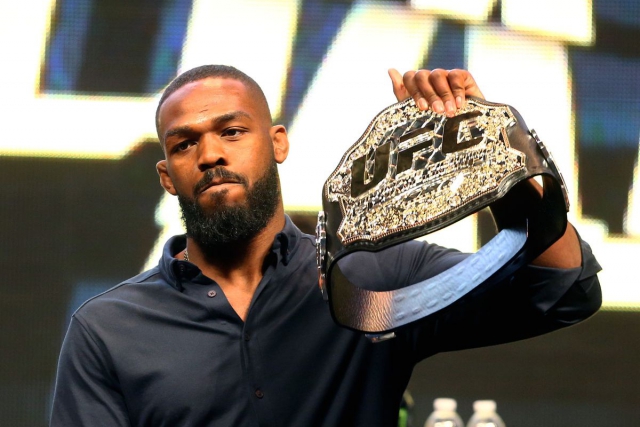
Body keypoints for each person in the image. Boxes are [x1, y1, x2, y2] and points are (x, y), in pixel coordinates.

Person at [50, 65, 601, 426]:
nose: (211, 154)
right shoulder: (108, 330)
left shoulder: (373, 276)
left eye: (232, 132)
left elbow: (562, 289)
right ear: (167, 175)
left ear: (278, 143)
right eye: (185, 144)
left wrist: (494, 151)